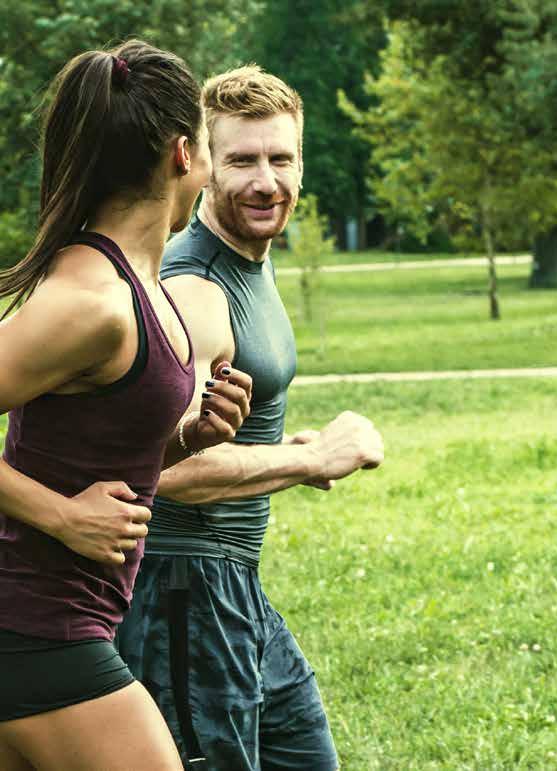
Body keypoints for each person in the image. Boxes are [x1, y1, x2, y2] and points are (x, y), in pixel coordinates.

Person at [116, 65, 384, 771]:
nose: (265, 181)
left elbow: (230, 424)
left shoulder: (251, 258)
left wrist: (283, 446)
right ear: (202, 165)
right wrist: (309, 461)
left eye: (280, 159)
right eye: (241, 160)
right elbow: (172, 467)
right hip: (182, 588)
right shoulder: (197, 285)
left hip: (234, 585)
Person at [0, 41, 252, 771]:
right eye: (209, 145)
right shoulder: (93, 302)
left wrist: (191, 435)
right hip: (34, 628)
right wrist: (62, 515)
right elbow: (69, 493)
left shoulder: (145, 286)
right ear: (183, 154)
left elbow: (95, 441)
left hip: (56, 625)